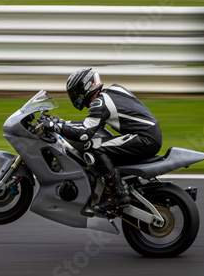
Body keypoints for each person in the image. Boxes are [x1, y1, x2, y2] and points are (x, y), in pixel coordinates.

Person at [42, 68, 162, 210]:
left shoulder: (100, 102)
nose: (74, 96)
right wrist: (61, 122)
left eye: (75, 92)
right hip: (148, 135)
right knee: (102, 141)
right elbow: (90, 124)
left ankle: (119, 194)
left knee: (93, 146)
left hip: (144, 139)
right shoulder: (112, 92)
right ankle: (129, 185)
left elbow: (84, 133)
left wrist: (56, 127)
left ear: (84, 87)